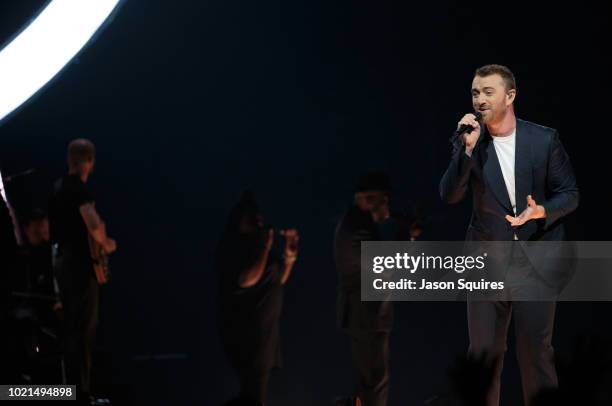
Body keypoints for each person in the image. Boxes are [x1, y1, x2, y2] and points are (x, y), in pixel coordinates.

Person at [440, 64, 579, 406]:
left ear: (510, 95)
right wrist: (467, 150)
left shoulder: (543, 139)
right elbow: (449, 194)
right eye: (475, 93)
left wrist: (541, 211)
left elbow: (570, 193)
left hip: (536, 259)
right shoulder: (470, 141)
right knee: (484, 356)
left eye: (488, 92)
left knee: (536, 351)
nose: (480, 100)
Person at [334, 172, 413, 406]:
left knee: (372, 380)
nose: (386, 206)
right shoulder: (357, 227)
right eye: (383, 200)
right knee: (374, 381)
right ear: (368, 199)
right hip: (366, 315)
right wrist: (404, 233)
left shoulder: (357, 224)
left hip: (365, 315)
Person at [48, 138, 116, 401]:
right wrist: (107, 243)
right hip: (80, 267)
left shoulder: (57, 188)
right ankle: (82, 393)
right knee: (85, 331)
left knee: (70, 331)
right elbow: (93, 225)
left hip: (61, 265)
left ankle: (68, 391)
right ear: (90, 162)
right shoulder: (79, 191)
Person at [215, 191, 299, 404]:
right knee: (254, 391)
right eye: (252, 217)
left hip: (266, 333)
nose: (259, 221)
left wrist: (290, 257)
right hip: (249, 335)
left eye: (259, 217)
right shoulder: (235, 249)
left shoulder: (258, 247)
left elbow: (277, 279)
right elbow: (246, 279)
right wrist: (265, 246)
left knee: (257, 389)